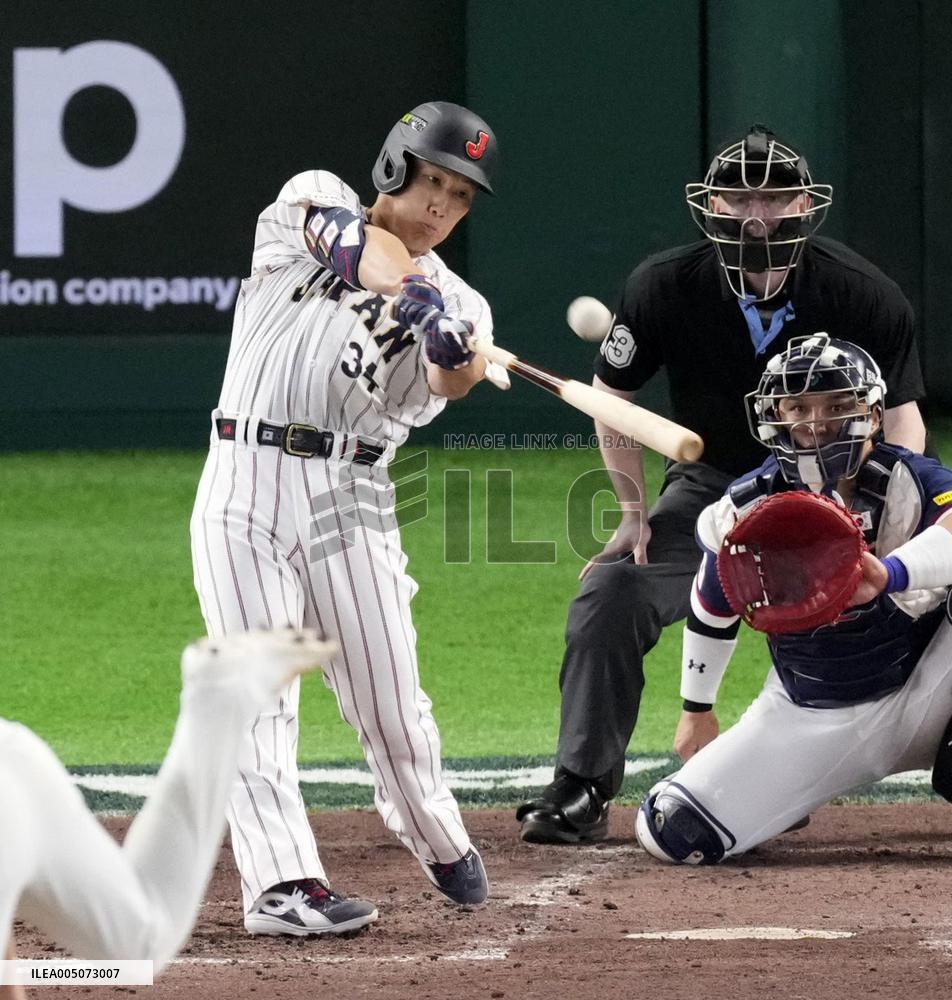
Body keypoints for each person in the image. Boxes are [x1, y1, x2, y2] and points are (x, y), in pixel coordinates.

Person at [517, 123, 928, 844]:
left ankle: (798, 772)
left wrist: (881, 518)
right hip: (714, 490)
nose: (757, 216)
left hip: (836, 488)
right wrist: (632, 512)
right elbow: (611, 399)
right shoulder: (663, 286)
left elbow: (902, 421)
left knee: (923, 598)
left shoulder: (864, 293)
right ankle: (580, 784)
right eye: (739, 198)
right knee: (611, 590)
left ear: (806, 204)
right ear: (711, 205)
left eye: (774, 198)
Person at [189, 101, 506, 935]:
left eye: (460, 196)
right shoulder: (309, 198)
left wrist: (450, 349)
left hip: (351, 495)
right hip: (243, 476)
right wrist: (412, 293)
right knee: (255, 690)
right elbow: (357, 249)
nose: (441, 206)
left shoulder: (465, 306)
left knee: (390, 704)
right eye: (432, 182)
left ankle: (435, 833)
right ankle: (282, 885)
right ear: (395, 168)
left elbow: (448, 385)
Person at [634, 334, 952, 863]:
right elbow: (713, 606)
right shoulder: (743, 509)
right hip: (816, 710)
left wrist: (890, 573)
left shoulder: (912, 481)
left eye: (836, 405)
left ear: (874, 415)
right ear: (774, 415)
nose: (816, 423)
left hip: (931, 682)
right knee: (674, 830)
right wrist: (697, 709)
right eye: (798, 408)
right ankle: (787, 792)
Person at [0, 630, 339, 985]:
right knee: (136, 949)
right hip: (15, 761)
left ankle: (221, 698)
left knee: (140, 948)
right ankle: (218, 695)